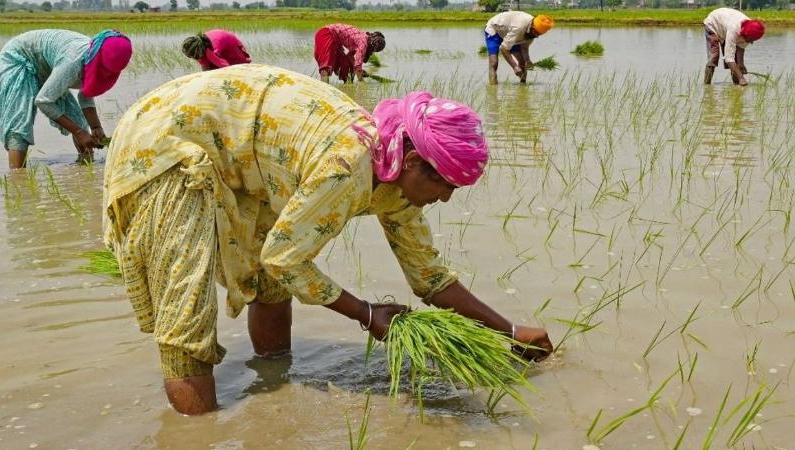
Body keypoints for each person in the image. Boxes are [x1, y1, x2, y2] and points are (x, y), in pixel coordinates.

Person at [102, 64, 552, 415]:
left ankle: (273, 378)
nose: (447, 199)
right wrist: (365, 313)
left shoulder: (398, 183)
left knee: (270, 284)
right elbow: (286, 258)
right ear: (414, 161)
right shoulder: (348, 164)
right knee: (188, 318)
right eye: (446, 186)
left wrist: (510, 332)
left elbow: (428, 276)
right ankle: (197, 435)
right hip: (167, 141)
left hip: (240, 155)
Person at [0, 29, 132, 169]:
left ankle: (86, 171)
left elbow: (87, 91)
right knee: (19, 127)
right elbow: (44, 101)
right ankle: (17, 181)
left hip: (48, 66)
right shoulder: (73, 62)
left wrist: (95, 127)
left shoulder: (98, 58)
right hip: (18, 58)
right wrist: (78, 132)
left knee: (78, 121)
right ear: (98, 59)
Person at [484, 11, 553, 85]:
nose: (536, 35)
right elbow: (504, 48)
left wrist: (528, 61)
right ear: (532, 25)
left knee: (522, 61)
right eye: (535, 32)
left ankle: (523, 86)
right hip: (495, 30)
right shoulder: (520, 27)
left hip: (510, 33)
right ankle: (493, 90)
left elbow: (524, 48)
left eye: (538, 34)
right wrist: (515, 67)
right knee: (493, 62)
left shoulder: (531, 34)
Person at [703, 8, 765, 86]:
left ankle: (737, 84)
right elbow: (729, 58)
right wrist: (741, 78)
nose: (750, 42)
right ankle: (706, 86)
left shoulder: (752, 29)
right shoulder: (734, 29)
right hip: (713, 24)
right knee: (714, 56)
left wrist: (741, 64)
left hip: (725, 27)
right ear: (744, 34)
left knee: (735, 60)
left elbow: (740, 47)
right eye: (749, 40)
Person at [314, 24, 385, 83]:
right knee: (326, 67)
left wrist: (359, 71)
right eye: (374, 50)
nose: (372, 52)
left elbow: (350, 57)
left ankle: (347, 86)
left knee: (347, 65)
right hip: (326, 34)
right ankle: (325, 89)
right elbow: (357, 65)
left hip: (335, 42)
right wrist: (363, 82)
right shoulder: (363, 43)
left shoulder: (363, 39)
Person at [181, 29, 251, 71]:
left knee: (238, 68)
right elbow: (205, 66)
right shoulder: (200, 47)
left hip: (232, 47)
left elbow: (226, 67)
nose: (196, 59)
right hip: (218, 43)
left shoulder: (212, 50)